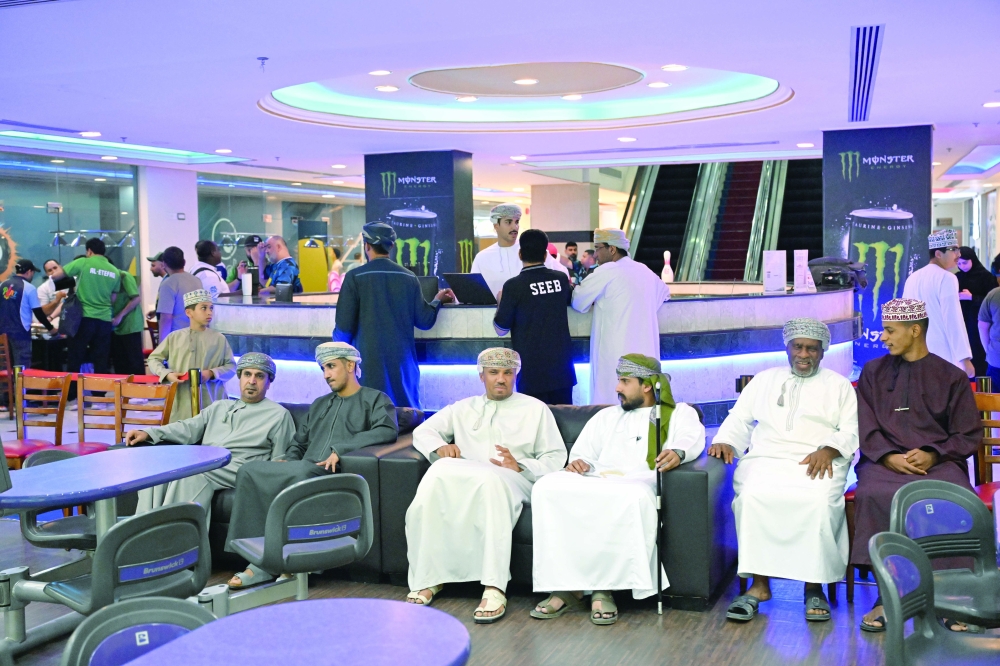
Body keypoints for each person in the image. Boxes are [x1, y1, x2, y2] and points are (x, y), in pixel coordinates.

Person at [530, 354, 705, 625]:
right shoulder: (606, 416)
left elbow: (690, 438)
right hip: (597, 477)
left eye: (625, 381)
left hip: (639, 481)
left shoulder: (678, 412)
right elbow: (583, 453)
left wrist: (678, 452)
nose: (617, 388)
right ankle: (565, 586)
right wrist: (579, 462)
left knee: (626, 497)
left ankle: (603, 589)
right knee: (546, 487)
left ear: (647, 385)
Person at [709, 318, 858, 624]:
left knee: (817, 502)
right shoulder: (764, 380)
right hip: (768, 457)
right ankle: (760, 585)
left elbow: (851, 430)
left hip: (819, 460)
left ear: (823, 352)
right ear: (787, 348)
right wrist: (725, 440)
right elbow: (740, 418)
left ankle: (813, 586)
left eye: (812, 349)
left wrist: (829, 450)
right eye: (798, 347)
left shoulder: (839, 385)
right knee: (752, 496)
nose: (804, 354)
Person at [405, 348, 565, 623]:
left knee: (490, 480)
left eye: (507, 373)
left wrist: (522, 466)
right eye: (494, 373)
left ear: (516, 374)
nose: (501, 379)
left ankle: (494, 587)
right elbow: (423, 431)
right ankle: (429, 578)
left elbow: (555, 456)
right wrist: (441, 447)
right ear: (481, 376)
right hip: (467, 475)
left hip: (514, 478)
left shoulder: (535, 409)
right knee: (436, 474)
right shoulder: (462, 407)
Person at [853, 298, 982, 632]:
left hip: (938, 463)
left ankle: (951, 598)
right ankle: (885, 596)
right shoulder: (872, 373)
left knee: (952, 497)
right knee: (873, 494)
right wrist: (888, 456)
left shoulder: (951, 377)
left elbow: (967, 434)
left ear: (915, 330)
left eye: (889, 330)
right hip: (883, 463)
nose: (883, 337)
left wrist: (933, 453)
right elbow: (865, 425)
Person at [225, 342, 398, 589]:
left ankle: (274, 566)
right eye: (323, 369)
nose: (326, 374)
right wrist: (288, 458)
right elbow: (299, 442)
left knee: (303, 472)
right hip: (304, 466)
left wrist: (341, 450)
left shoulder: (375, 399)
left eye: (331, 367)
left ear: (350, 365)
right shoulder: (319, 403)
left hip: (332, 473)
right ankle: (258, 555)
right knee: (249, 471)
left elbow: (386, 430)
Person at [127, 353, 294, 522]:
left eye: (259, 376)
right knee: (158, 469)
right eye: (247, 374)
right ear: (239, 377)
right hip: (207, 459)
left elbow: (281, 460)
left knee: (189, 475)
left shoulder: (278, 415)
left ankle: (173, 542)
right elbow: (188, 427)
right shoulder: (220, 406)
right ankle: (142, 531)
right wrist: (150, 433)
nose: (252, 381)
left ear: (269, 382)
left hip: (239, 466)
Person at [334, 222, 454, 409]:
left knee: (369, 417)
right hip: (403, 366)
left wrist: (336, 358)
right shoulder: (408, 277)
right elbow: (424, 321)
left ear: (366, 246)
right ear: (391, 246)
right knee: (405, 420)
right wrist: (437, 301)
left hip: (367, 365)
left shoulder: (355, 277)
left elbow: (343, 329)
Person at [572, 228, 670, 405]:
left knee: (612, 402)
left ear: (612, 249)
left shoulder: (607, 270)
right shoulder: (645, 271)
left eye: (598, 248)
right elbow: (664, 294)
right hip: (645, 353)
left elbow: (578, 302)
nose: (595, 255)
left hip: (615, 354)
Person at [493, 229, 576, 404]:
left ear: (520, 253)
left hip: (532, 370)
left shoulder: (513, 286)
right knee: (564, 422)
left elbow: (500, 329)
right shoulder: (561, 279)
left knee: (534, 425)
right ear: (546, 255)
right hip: (562, 367)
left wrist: (501, 301)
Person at [147, 289, 236, 422]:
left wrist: (212, 373)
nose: (209, 312)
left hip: (212, 400)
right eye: (204, 308)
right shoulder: (174, 337)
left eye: (211, 308)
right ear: (189, 312)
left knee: (211, 436)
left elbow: (231, 366)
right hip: (181, 400)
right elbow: (154, 359)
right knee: (181, 434)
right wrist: (167, 374)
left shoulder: (219, 338)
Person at [902, 229, 974, 377]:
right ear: (938, 254)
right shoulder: (947, 278)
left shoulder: (912, 278)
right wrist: (965, 358)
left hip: (914, 355)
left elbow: (904, 319)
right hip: (942, 357)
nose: (958, 255)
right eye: (953, 249)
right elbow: (953, 319)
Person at [471, 204, 570, 298]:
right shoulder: (482, 257)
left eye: (517, 222)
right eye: (508, 222)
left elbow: (562, 274)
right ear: (496, 226)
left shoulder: (530, 249)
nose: (514, 227)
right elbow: (473, 290)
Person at [63, 238, 122, 376]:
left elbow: (60, 274)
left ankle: (72, 392)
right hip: (104, 320)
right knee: (101, 358)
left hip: (84, 317)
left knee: (75, 356)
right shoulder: (115, 271)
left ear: (89, 251)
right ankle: (99, 393)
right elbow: (113, 298)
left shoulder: (83, 262)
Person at [0, 259, 60, 367]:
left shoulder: (3, 284)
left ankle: (7, 385)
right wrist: (51, 329)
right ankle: (20, 384)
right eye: (33, 272)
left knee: (5, 367)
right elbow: (39, 313)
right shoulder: (29, 288)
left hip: (2, 333)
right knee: (21, 367)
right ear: (29, 272)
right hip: (20, 334)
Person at [955, 247, 996, 376]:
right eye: (959, 263)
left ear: (972, 260)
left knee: (979, 353)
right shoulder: (956, 278)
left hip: (980, 323)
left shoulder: (986, 277)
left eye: (965, 262)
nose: (962, 266)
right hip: (962, 321)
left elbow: (993, 302)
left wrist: (972, 297)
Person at [156, 246, 203, 340]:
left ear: (164, 264)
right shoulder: (196, 280)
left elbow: (166, 317)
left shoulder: (168, 283)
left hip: (178, 338)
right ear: (184, 262)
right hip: (197, 335)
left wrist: (162, 347)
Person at [109, 268, 144, 376]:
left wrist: (120, 315)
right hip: (115, 327)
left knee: (134, 363)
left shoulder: (123, 275)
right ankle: (122, 391)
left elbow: (136, 299)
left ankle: (140, 391)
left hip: (130, 324)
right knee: (119, 363)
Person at [35, 259, 69, 328]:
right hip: (54, 321)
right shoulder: (43, 288)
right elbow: (44, 311)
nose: (54, 271)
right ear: (47, 274)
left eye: (55, 268)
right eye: (50, 270)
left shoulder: (73, 281)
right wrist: (56, 300)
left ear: (60, 267)